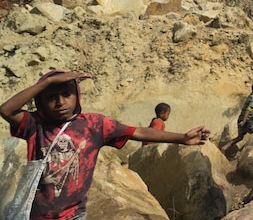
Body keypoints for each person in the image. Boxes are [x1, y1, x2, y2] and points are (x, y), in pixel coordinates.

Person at [0, 70, 210, 220]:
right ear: (41, 101)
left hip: (73, 214)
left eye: (66, 94)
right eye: (51, 97)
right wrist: (45, 83)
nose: (61, 102)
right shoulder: (34, 124)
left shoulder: (94, 125)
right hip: (35, 213)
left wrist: (182, 137)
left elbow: (137, 132)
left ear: (77, 95)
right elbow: (6, 110)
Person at [220, 81, 253, 153]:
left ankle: (224, 148)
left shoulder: (251, 96)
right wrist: (244, 121)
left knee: (240, 138)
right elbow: (249, 109)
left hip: (242, 119)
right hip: (247, 120)